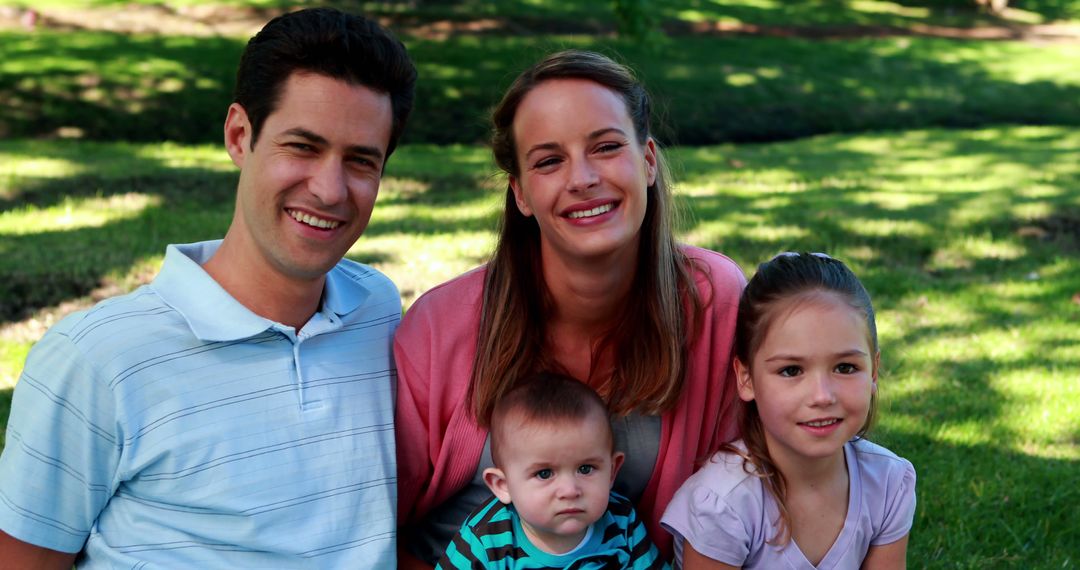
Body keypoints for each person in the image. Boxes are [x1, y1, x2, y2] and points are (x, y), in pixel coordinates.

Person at [0, 8, 416, 568]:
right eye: (303, 147)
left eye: (361, 160)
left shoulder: (379, 310)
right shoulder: (97, 358)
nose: (329, 188)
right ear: (240, 136)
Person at [394, 49, 746, 567]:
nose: (582, 179)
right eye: (549, 160)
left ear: (648, 161)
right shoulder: (441, 327)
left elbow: (748, 492)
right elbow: (370, 527)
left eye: (605, 147)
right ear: (521, 193)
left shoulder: (711, 299)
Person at [661, 252, 917, 569]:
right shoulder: (722, 504)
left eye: (845, 367)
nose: (822, 396)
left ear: (874, 372)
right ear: (746, 378)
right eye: (792, 371)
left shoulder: (889, 482)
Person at [437, 373, 667, 569]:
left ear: (612, 471)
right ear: (503, 485)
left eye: (586, 469)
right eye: (544, 474)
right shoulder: (486, 539)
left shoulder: (622, 522)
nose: (569, 490)